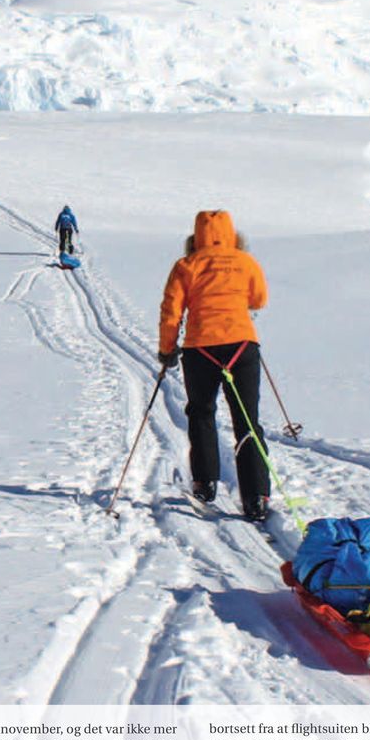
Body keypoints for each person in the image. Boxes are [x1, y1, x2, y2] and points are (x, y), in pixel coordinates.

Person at [158, 210, 271, 522]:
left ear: (196, 237)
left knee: (201, 412)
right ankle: (256, 496)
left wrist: (167, 350)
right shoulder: (246, 262)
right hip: (242, 346)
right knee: (247, 418)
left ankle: (205, 482)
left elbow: (171, 310)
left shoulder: (186, 265)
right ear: (233, 234)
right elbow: (259, 299)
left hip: (200, 349)